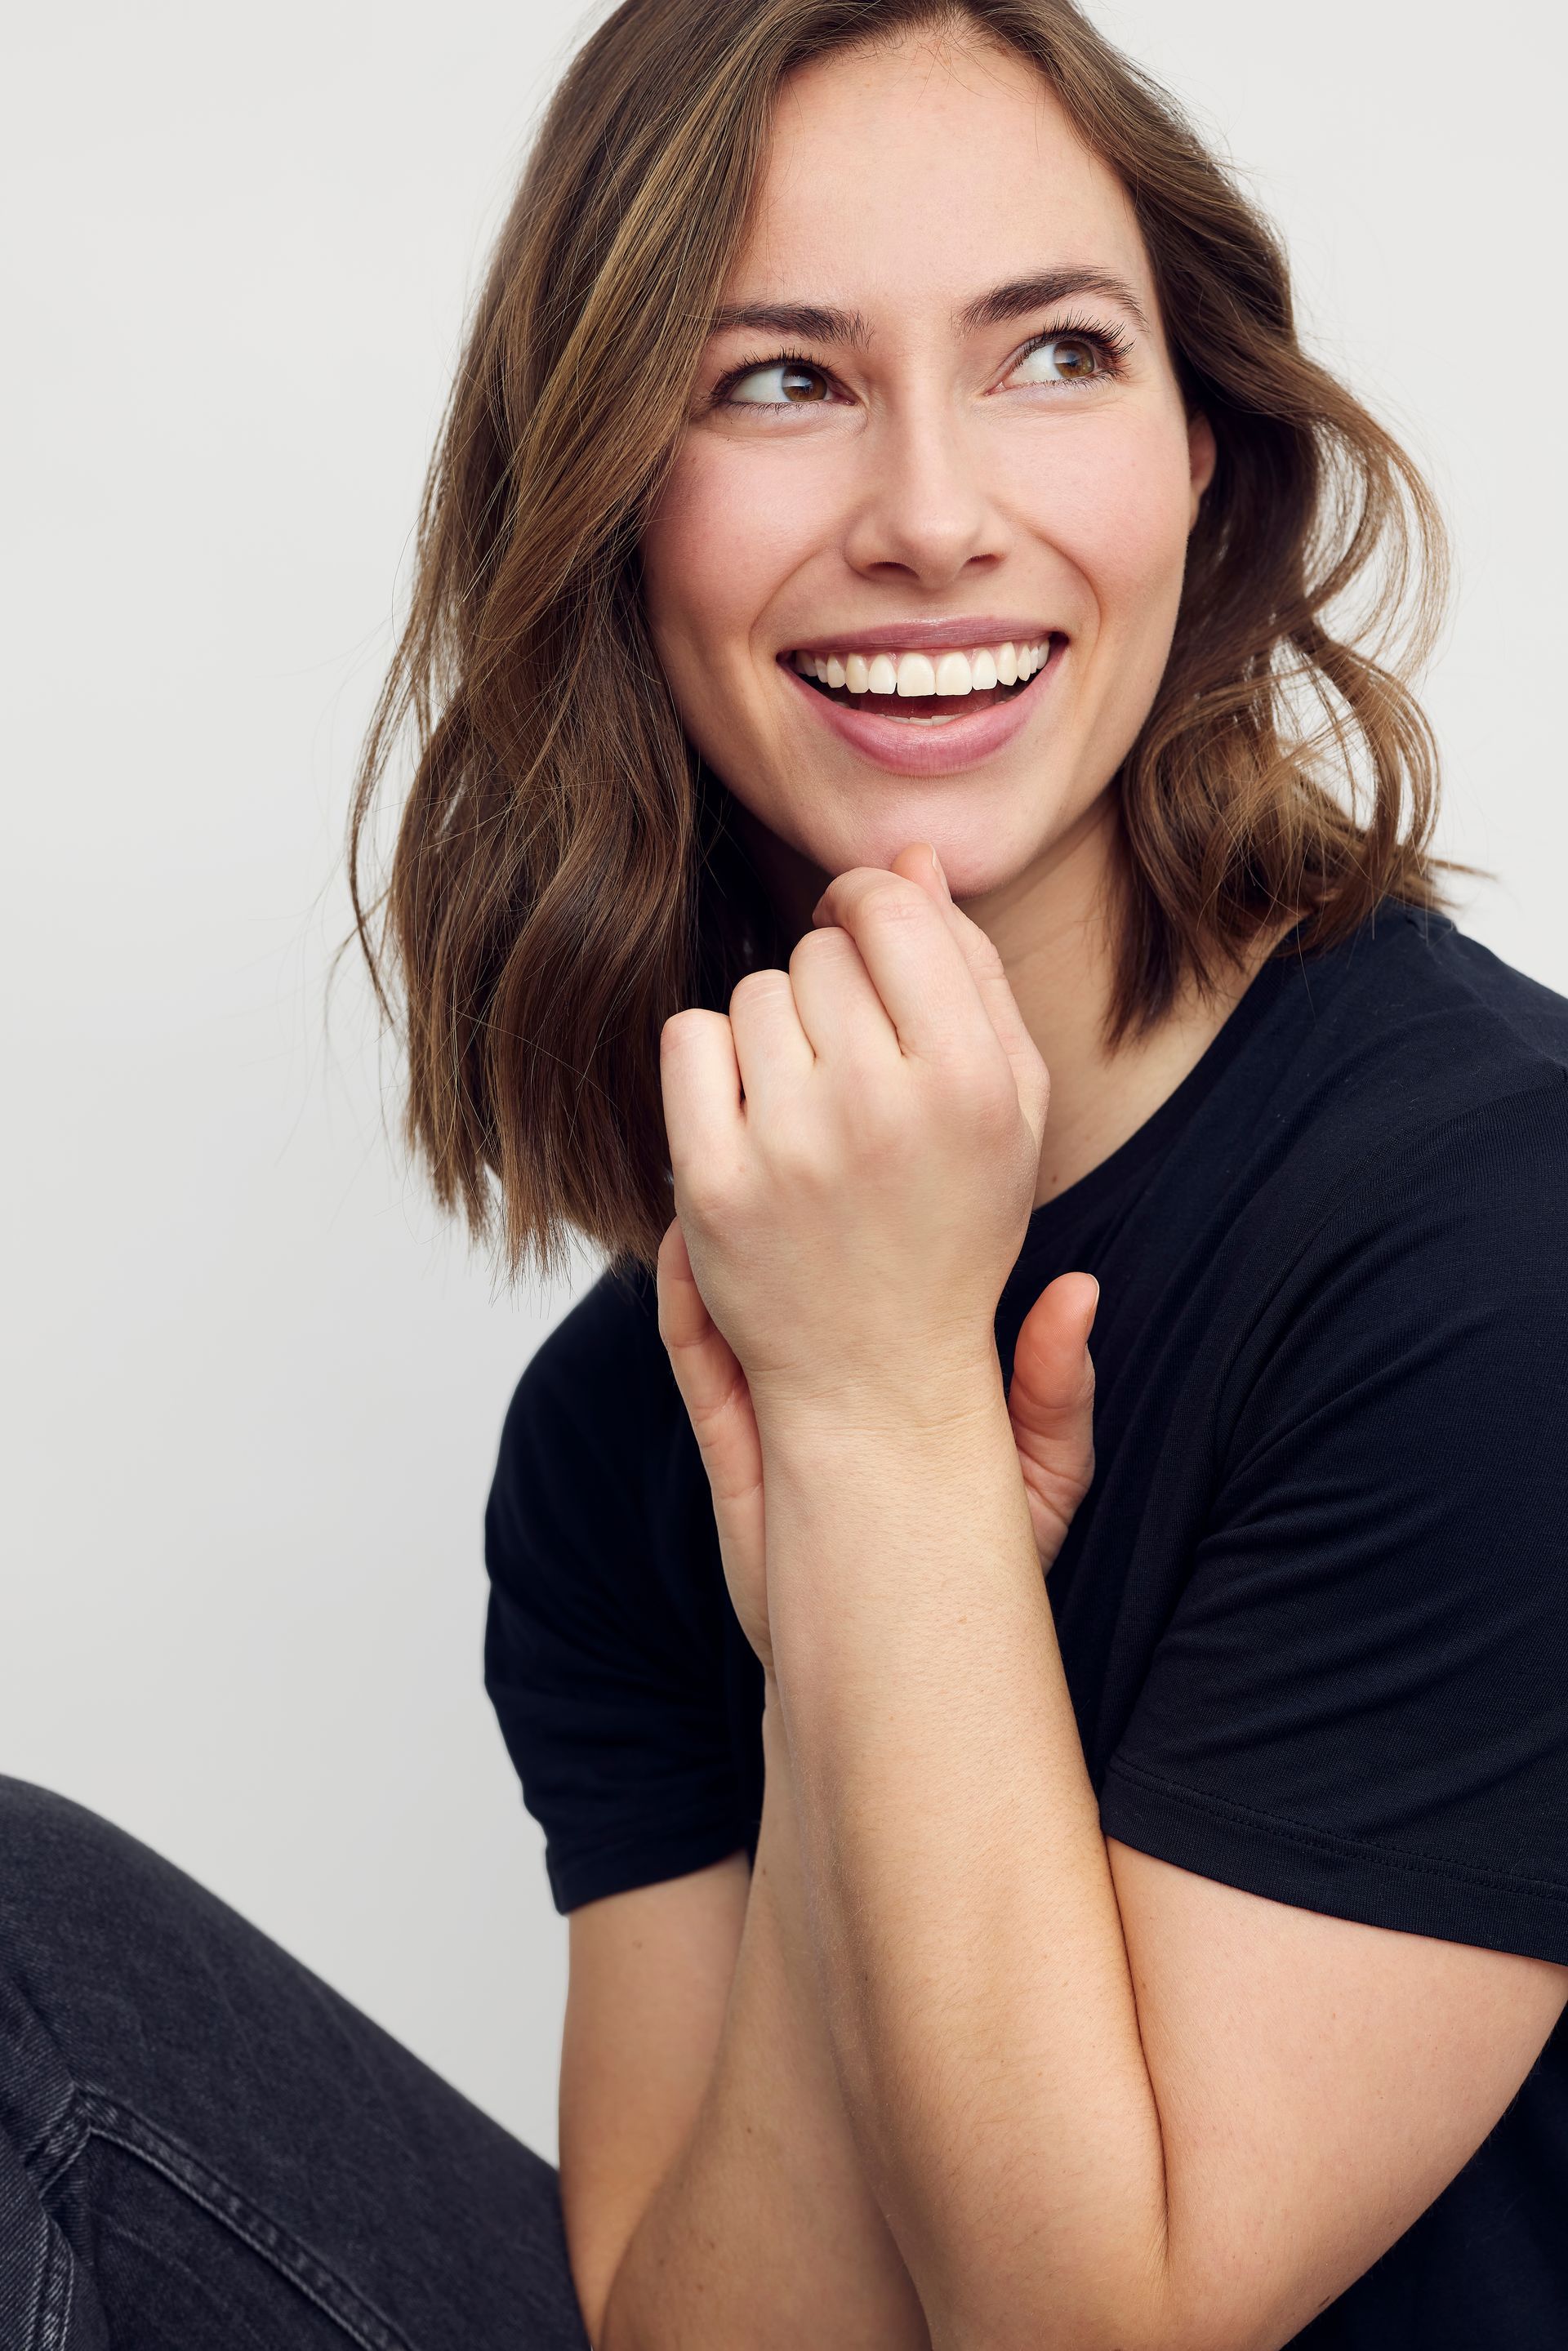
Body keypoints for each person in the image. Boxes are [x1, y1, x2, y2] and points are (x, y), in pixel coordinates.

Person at [5, 1, 1565, 2345]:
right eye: (779, 380)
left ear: (1208, 465)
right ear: (614, 508)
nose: (934, 510)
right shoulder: (629, 1427)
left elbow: (1095, 2332)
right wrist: (859, 1552)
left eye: (1053, 352)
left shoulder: (1488, 1238)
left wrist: (888, 1426)